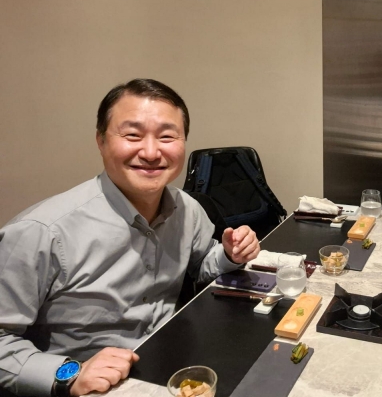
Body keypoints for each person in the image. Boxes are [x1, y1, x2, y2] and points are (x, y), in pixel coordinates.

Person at [0, 79, 260, 397]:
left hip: (173, 365)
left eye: (167, 137)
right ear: (101, 140)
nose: (151, 152)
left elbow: (202, 263)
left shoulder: (187, 209)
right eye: (132, 135)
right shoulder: (40, 232)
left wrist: (229, 256)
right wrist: (69, 375)